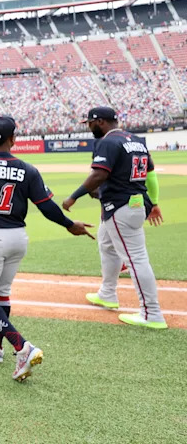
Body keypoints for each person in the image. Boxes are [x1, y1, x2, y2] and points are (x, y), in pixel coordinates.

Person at [0, 115, 94, 381]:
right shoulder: (27, 169)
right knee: (1, 293)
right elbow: (46, 207)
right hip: (18, 237)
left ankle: (21, 346)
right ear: (14, 139)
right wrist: (70, 224)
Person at [63, 106, 167, 330]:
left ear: (99, 121)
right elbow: (150, 173)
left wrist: (73, 197)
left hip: (121, 206)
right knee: (107, 245)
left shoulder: (108, 142)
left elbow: (99, 174)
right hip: (131, 203)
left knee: (136, 259)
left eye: (89, 123)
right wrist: (155, 202)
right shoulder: (136, 140)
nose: (88, 127)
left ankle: (152, 313)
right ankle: (107, 293)